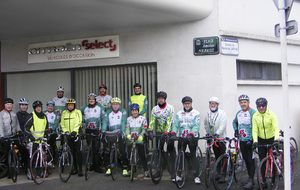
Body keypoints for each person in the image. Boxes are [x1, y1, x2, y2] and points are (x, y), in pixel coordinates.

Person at [171, 96, 201, 184]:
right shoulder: (179, 113)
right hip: (182, 137)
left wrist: (192, 134)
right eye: (185, 103)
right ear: (183, 104)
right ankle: (179, 175)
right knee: (180, 155)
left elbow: (196, 125)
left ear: (191, 104)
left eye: (188, 103)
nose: (187, 105)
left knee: (193, 156)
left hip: (192, 137)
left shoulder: (196, 113)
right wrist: (173, 133)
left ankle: (196, 176)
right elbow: (176, 124)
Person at [147, 91, 176, 182]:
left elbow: (169, 120)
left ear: (164, 99)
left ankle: (172, 171)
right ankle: (159, 170)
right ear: (157, 99)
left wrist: (167, 132)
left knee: (171, 151)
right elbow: (152, 120)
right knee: (159, 150)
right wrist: (150, 130)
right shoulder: (155, 109)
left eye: (162, 99)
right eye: (159, 98)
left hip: (169, 132)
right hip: (160, 132)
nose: (160, 100)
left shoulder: (170, 108)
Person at [252, 97, 279, 189]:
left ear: (266, 106)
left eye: (263, 105)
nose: (261, 107)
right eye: (259, 106)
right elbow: (255, 130)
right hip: (261, 140)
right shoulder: (255, 116)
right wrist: (255, 141)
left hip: (271, 139)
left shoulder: (271, 114)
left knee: (273, 160)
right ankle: (263, 180)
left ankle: (273, 180)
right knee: (262, 161)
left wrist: (276, 139)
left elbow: (276, 128)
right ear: (257, 107)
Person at [232, 94, 256, 189]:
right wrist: (236, 130)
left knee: (251, 160)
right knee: (246, 159)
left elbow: (255, 126)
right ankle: (249, 178)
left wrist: (252, 139)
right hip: (242, 140)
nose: (243, 104)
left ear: (248, 102)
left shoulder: (253, 112)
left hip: (250, 141)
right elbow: (234, 122)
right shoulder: (239, 113)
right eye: (241, 102)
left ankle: (252, 180)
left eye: (245, 102)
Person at [102, 97, 129, 177]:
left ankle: (124, 168)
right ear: (111, 105)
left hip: (119, 133)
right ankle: (109, 168)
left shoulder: (123, 111)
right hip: (111, 134)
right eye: (114, 104)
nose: (115, 106)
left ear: (119, 105)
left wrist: (123, 132)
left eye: (117, 104)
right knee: (108, 151)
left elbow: (123, 122)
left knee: (122, 151)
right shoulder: (108, 112)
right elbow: (105, 122)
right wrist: (103, 131)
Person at [81, 93, 106, 173]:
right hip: (88, 130)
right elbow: (77, 114)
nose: (91, 100)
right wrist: (82, 121)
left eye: (93, 99)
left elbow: (104, 119)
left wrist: (103, 130)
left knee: (96, 149)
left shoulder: (100, 108)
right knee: (90, 148)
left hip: (96, 131)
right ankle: (92, 165)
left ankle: (97, 166)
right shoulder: (84, 108)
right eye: (90, 99)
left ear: (95, 100)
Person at [204, 97, 227, 182]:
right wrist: (208, 134)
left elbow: (223, 125)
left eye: (214, 103)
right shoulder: (207, 114)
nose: (212, 104)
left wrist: (217, 133)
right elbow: (206, 124)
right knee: (217, 156)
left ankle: (224, 175)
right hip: (213, 139)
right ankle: (218, 173)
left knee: (222, 156)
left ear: (217, 105)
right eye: (211, 103)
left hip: (221, 138)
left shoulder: (222, 113)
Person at [24, 100, 48, 179]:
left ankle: (40, 171)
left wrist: (47, 133)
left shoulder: (44, 116)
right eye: (37, 107)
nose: (38, 109)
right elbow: (26, 127)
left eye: (40, 107)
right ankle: (30, 172)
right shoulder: (31, 116)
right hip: (33, 140)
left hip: (41, 140)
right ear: (34, 108)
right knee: (32, 157)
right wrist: (30, 136)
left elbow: (46, 127)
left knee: (41, 157)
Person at [60, 98, 83, 177]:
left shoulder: (78, 112)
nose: (70, 106)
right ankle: (74, 168)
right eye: (69, 105)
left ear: (74, 105)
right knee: (71, 153)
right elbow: (62, 123)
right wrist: (65, 131)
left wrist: (75, 131)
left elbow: (79, 122)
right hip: (68, 135)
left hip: (76, 135)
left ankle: (80, 169)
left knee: (78, 152)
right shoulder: (64, 113)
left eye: (72, 105)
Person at [125, 104, 149, 177]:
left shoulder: (143, 118)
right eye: (132, 111)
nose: (134, 112)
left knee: (142, 155)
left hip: (139, 139)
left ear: (138, 111)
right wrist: (127, 134)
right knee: (129, 155)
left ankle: (146, 170)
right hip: (131, 140)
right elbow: (127, 128)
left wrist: (141, 135)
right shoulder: (128, 119)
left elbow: (144, 128)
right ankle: (130, 170)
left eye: (135, 111)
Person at [0, 98, 22, 178]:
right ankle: (8, 172)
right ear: (5, 105)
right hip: (5, 136)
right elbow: (1, 126)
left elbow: (17, 124)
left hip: (13, 136)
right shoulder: (2, 114)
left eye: (10, 104)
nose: (9, 106)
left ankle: (15, 168)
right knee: (6, 155)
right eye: (7, 104)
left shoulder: (13, 114)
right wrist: (1, 136)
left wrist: (18, 131)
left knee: (15, 152)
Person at [44, 100, 59, 165]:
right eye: (49, 106)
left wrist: (51, 129)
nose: (50, 107)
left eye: (51, 106)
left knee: (52, 147)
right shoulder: (44, 113)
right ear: (47, 106)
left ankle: (52, 161)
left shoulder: (56, 114)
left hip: (53, 133)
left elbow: (56, 123)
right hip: (45, 133)